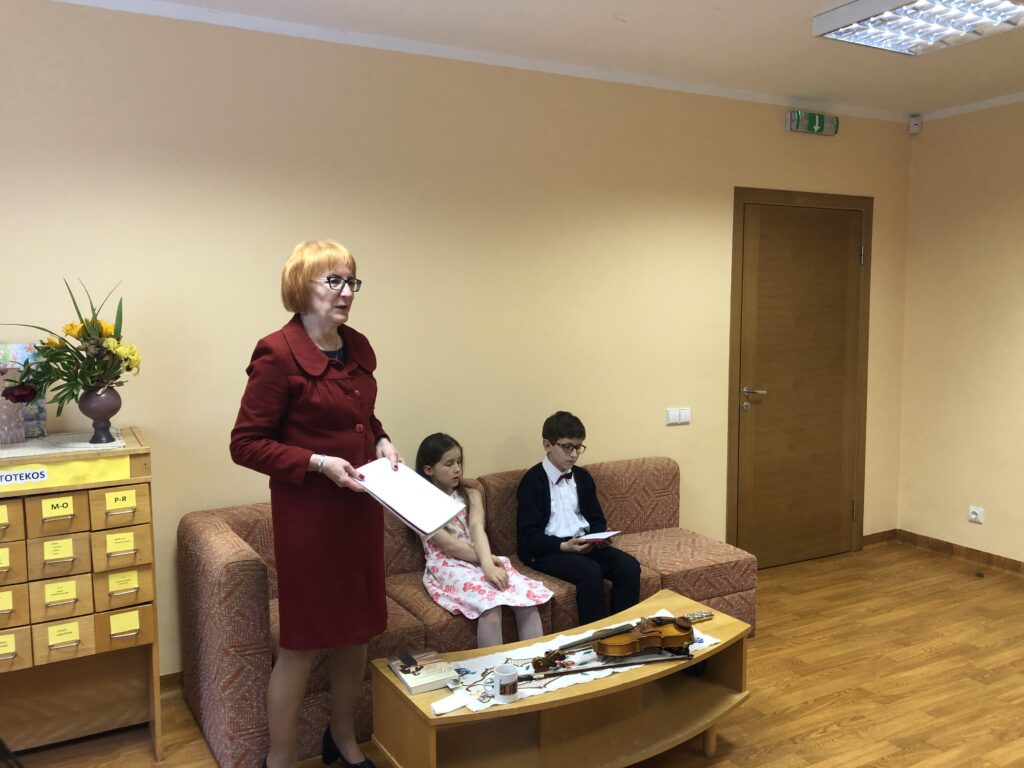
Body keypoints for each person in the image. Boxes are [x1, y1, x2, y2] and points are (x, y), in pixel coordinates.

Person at [230, 240, 401, 768]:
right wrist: (318, 462)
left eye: (352, 281)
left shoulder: (356, 347)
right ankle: (279, 759)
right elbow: (246, 444)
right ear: (301, 287)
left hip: (361, 511)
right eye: (334, 281)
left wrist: (381, 439)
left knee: (356, 636)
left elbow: (360, 416)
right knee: (302, 645)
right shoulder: (277, 353)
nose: (347, 292)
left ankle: (343, 740)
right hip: (309, 521)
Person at [416, 433, 552, 647]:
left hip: (481, 556)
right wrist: (486, 561)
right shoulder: (419, 503)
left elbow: (477, 527)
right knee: (490, 606)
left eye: (459, 462)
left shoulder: (471, 494)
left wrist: (487, 564)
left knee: (527, 599)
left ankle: (536, 662)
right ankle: (492, 667)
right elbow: (449, 545)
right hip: (447, 564)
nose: (457, 469)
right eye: (449, 464)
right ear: (428, 469)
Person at [516, 411, 641, 625]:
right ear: (547, 445)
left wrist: (598, 537)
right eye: (567, 447)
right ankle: (597, 636)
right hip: (548, 550)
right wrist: (564, 546)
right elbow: (528, 537)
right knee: (590, 571)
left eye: (578, 447)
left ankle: (624, 629)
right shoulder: (532, 481)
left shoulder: (582, 477)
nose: (574, 454)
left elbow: (597, 518)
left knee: (628, 566)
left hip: (584, 544)